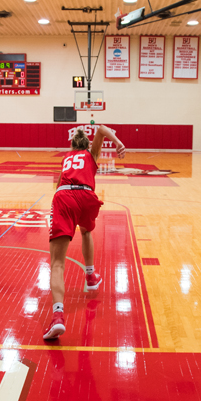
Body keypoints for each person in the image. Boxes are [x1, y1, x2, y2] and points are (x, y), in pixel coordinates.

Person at [43, 124, 127, 340]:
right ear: (88, 145)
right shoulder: (91, 153)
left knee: (57, 263)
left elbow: (58, 186)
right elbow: (101, 128)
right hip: (87, 196)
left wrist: (57, 211)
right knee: (86, 232)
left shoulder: (66, 158)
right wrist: (117, 143)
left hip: (65, 196)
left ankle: (58, 316)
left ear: (72, 145)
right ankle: (90, 275)